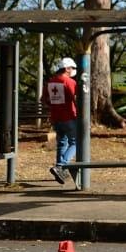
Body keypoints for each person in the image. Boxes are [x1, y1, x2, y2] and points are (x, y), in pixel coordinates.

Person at [45, 57, 79, 185]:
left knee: (62, 143)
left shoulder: (50, 82)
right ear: (67, 68)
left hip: (56, 118)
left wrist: (55, 106)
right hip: (69, 117)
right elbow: (75, 98)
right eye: (73, 68)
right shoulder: (69, 82)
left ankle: (60, 172)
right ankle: (61, 166)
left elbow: (45, 99)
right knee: (76, 142)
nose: (73, 71)